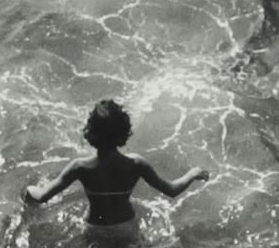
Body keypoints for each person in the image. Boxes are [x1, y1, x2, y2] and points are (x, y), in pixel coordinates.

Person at [21, 99, 208, 240]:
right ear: (124, 133)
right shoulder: (136, 164)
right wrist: (192, 174)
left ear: (90, 132)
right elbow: (171, 190)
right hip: (126, 226)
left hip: (95, 226)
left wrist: (27, 191)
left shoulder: (79, 167)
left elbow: (43, 196)